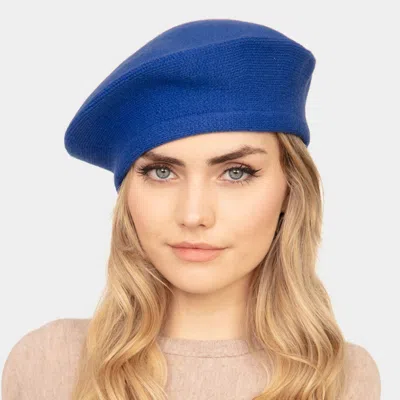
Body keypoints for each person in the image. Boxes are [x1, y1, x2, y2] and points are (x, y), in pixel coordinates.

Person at [2, 19, 381, 400]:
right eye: (162, 172)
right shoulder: (49, 365)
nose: (194, 215)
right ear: (128, 194)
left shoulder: (346, 378)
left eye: (236, 172)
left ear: (290, 190)